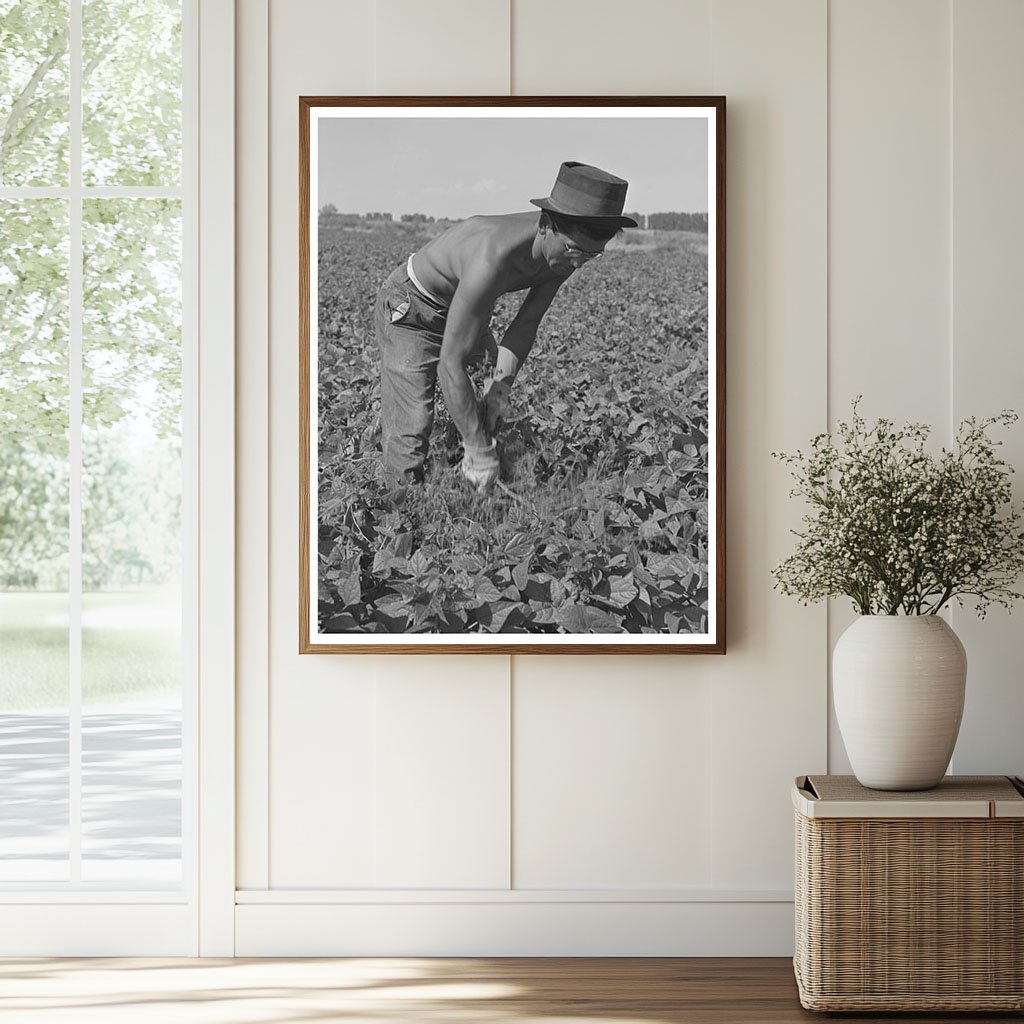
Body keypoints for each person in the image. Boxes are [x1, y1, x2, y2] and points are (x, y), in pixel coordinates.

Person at [373, 160, 638, 492]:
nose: (578, 262)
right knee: (412, 425)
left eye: (591, 255)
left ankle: (461, 477)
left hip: (470, 311)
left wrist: (500, 390)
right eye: (574, 250)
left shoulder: (567, 251)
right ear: (545, 225)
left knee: (491, 404)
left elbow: (526, 324)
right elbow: (449, 362)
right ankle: (400, 511)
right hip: (414, 311)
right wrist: (479, 449)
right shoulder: (492, 256)